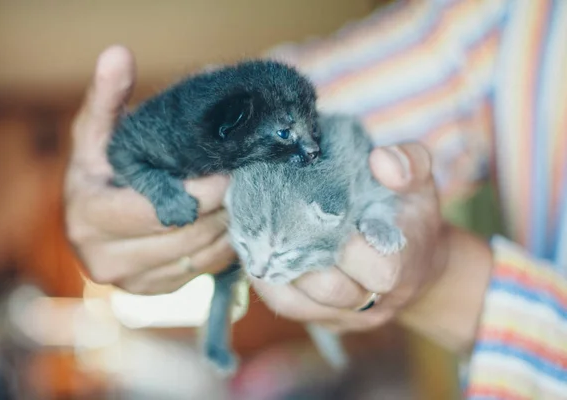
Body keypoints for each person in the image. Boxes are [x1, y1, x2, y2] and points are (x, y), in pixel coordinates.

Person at [64, 0, 567, 398]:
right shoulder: (511, 15)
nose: (310, 147)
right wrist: (118, 180)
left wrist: (444, 276)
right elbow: (289, 87)